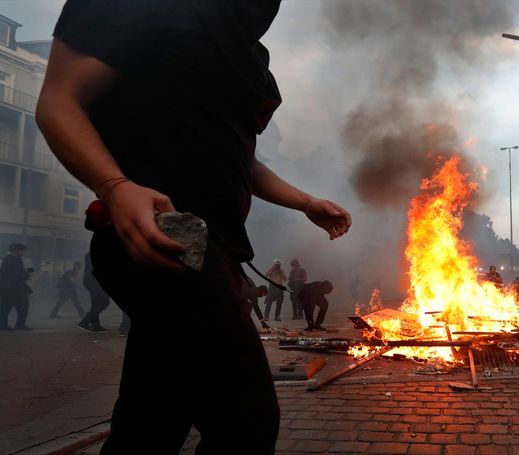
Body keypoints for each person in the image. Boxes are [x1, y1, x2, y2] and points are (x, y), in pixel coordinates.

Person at [36, 1, 352, 453]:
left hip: (217, 248)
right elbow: (59, 100)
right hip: (164, 234)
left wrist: (304, 202)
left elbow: (242, 159)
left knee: (152, 419)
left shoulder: (249, 55)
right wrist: (116, 186)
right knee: (245, 418)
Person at [0, 243, 34, 331]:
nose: (23, 253)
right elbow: (18, 274)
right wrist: (27, 274)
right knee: (23, 306)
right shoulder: (14, 259)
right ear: (16, 251)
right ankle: (19, 324)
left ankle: (3, 325)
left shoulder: (7, 259)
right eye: (22, 251)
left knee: (5, 307)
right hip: (15, 288)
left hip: (7, 288)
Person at [78, 251, 110, 333]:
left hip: (91, 284)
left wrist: (86, 284)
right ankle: (84, 322)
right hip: (98, 284)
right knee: (104, 302)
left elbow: (86, 271)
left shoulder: (88, 256)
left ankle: (95, 325)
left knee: (95, 304)